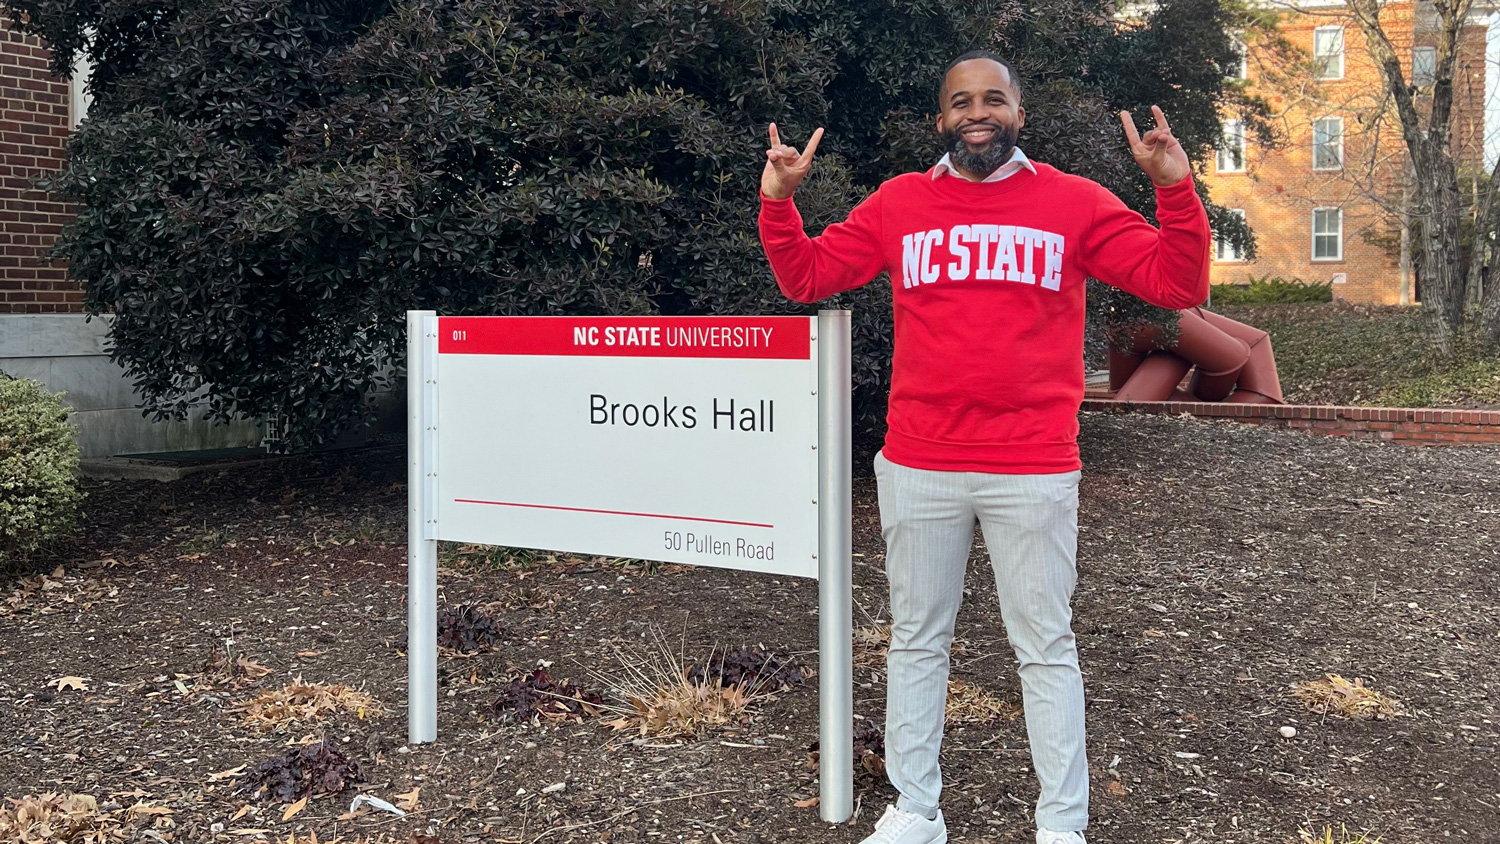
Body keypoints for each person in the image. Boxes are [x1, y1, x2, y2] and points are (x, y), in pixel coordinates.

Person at [757, 50, 1210, 844]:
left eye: (993, 99)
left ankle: (1062, 825)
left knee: (1044, 647)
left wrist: (1173, 186)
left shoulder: (1073, 202)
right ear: (941, 120)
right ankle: (916, 811)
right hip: (919, 461)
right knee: (917, 642)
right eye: (961, 101)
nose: (977, 112)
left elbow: (1178, 283)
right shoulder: (902, 203)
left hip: (1032, 466)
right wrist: (779, 203)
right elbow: (810, 277)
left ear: (1019, 115)